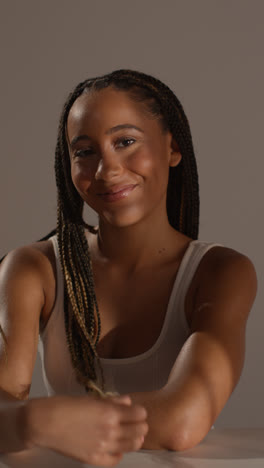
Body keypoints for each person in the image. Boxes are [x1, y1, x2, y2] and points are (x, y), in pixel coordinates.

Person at [0, 69, 257, 465]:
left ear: (172, 148)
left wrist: (32, 421)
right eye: (85, 151)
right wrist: (30, 422)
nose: (107, 170)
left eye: (125, 141)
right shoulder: (34, 269)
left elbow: (183, 420)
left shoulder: (220, 273)